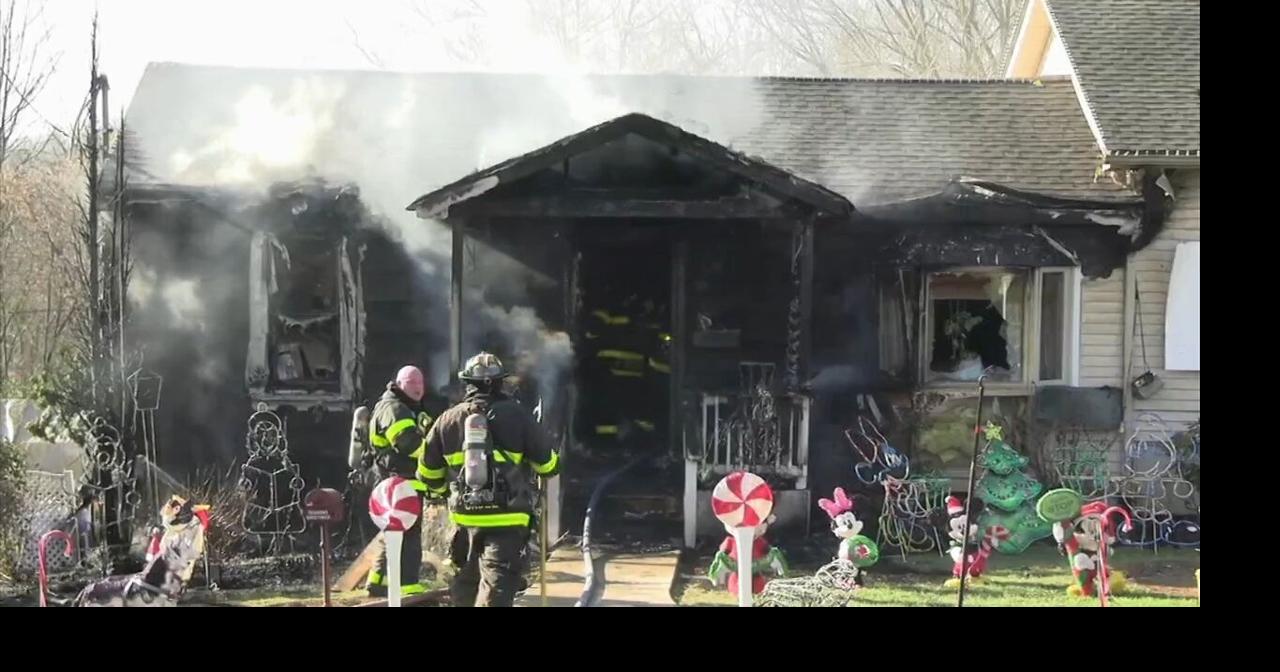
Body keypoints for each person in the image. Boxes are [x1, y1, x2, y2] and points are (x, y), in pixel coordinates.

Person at [418, 352, 560, 607]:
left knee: (466, 583)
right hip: (508, 519)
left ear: (467, 383)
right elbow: (548, 466)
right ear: (499, 382)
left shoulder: (447, 420)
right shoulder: (518, 415)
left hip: (465, 519)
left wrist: (444, 492)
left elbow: (427, 471)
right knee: (497, 587)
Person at [364, 365, 434, 597]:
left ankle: (378, 581)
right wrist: (436, 455)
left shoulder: (406, 407)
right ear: (400, 384)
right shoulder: (394, 408)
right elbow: (408, 444)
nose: (418, 388)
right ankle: (407, 584)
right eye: (412, 383)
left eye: (420, 383)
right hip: (399, 483)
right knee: (410, 534)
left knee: (394, 533)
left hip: (396, 482)